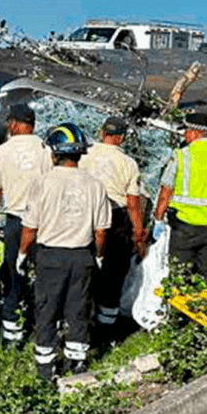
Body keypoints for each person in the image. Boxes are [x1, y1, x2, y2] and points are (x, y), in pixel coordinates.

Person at [19, 123, 110, 381]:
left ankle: (46, 368)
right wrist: (99, 255)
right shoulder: (95, 185)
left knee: (47, 310)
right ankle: (76, 363)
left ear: (55, 153)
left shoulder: (44, 182)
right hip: (82, 255)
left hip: (50, 256)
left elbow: (30, 227)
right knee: (78, 310)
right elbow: (101, 232)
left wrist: (23, 254)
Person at [0, 102, 51, 347]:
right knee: (43, 277)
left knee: (13, 277)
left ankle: (12, 335)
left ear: (13, 123)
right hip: (44, 223)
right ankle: (42, 328)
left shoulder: (2, 152)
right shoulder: (46, 148)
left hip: (15, 223)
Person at [152, 110, 207, 287]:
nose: (185, 135)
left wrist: (158, 219)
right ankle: (204, 310)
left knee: (179, 275)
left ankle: (178, 313)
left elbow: (165, 193)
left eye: (185, 131)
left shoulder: (181, 155)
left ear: (194, 132)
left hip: (184, 225)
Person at [78, 115, 146, 334]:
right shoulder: (128, 163)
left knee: (84, 272)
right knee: (113, 274)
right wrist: (139, 233)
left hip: (84, 218)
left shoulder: (84, 154)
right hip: (115, 219)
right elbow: (133, 203)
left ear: (101, 133)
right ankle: (106, 330)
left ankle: (80, 322)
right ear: (122, 138)